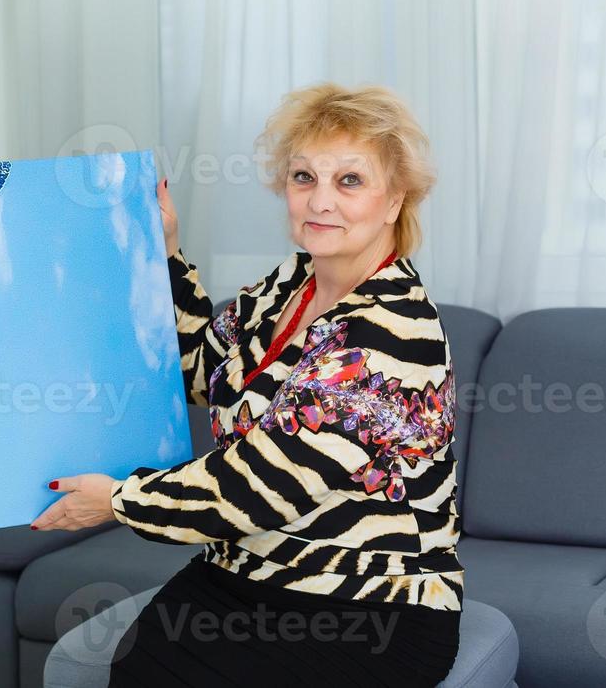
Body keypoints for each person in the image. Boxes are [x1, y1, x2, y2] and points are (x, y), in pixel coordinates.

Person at [31, 83, 461, 687]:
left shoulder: (390, 333)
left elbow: (261, 486)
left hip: (365, 604)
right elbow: (198, 370)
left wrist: (119, 500)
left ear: (395, 201)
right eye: (304, 177)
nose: (321, 201)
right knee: (138, 665)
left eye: (350, 181)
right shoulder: (291, 286)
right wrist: (165, 254)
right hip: (245, 569)